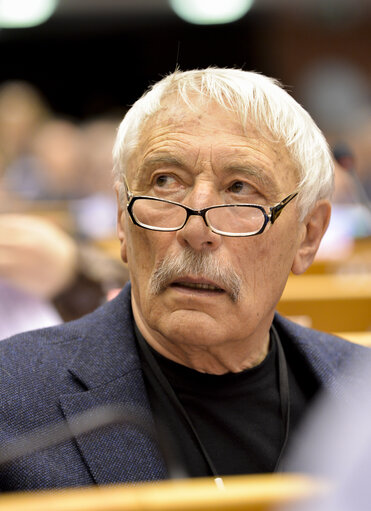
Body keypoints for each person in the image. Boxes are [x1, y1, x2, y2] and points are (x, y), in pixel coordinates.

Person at [0, 68, 370, 492]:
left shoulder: (361, 396)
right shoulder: (9, 402)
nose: (196, 231)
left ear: (308, 235)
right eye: (165, 182)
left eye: (240, 188)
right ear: (122, 218)